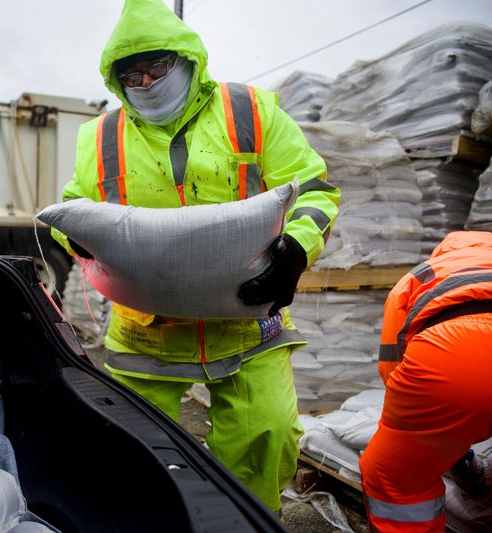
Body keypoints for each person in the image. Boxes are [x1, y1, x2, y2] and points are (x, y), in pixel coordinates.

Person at [51, 0, 340, 513]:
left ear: (185, 58)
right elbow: (76, 207)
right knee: (131, 452)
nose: (146, 82)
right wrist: (76, 241)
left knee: (267, 436)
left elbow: (315, 190)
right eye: (132, 74)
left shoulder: (250, 111)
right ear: (116, 80)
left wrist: (296, 250)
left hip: (249, 328)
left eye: (156, 66)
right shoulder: (98, 137)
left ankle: (249, 523)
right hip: (146, 335)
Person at [360, 231, 492, 532]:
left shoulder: (421, 276)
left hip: (453, 352)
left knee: (394, 477)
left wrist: (431, 432)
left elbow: (392, 369)